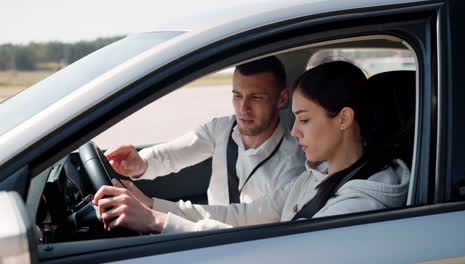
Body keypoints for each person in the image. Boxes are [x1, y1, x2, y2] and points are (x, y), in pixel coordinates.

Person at [94, 61, 410, 234]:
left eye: (304, 119)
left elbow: (285, 256)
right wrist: (153, 207)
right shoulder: (315, 176)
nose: (295, 130)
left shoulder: (361, 205)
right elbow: (244, 217)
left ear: (343, 119)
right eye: (295, 119)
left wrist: (157, 222)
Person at [104, 56, 306, 206]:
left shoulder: (292, 166)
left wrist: (152, 208)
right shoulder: (222, 128)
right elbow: (173, 153)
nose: (243, 108)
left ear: (281, 99)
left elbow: (249, 222)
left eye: (256, 98)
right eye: (237, 96)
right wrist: (141, 164)